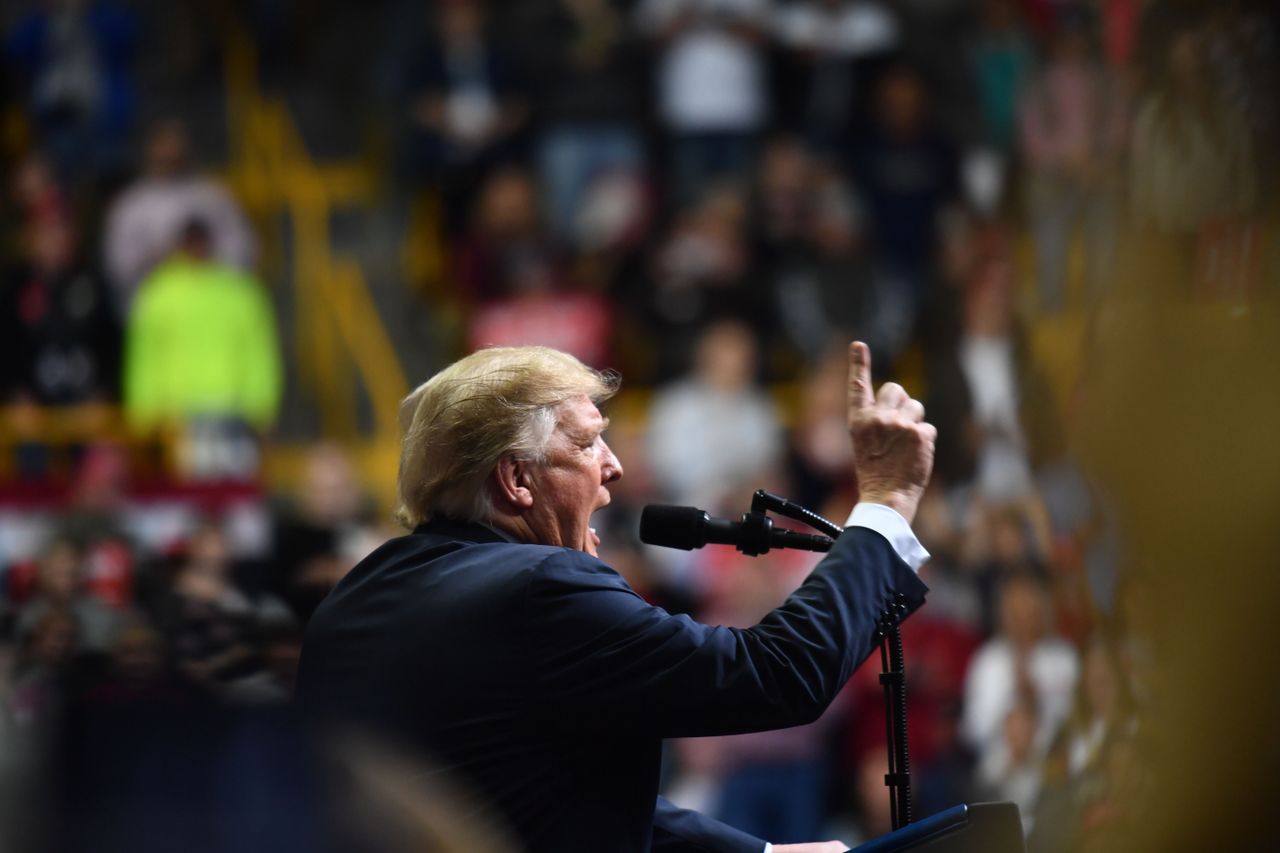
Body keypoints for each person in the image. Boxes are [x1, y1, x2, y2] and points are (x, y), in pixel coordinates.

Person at [297, 341, 936, 853]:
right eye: (584, 443)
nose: (615, 466)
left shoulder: (350, 603)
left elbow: (545, 795)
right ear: (517, 479)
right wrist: (883, 503)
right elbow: (776, 673)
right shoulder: (541, 587)